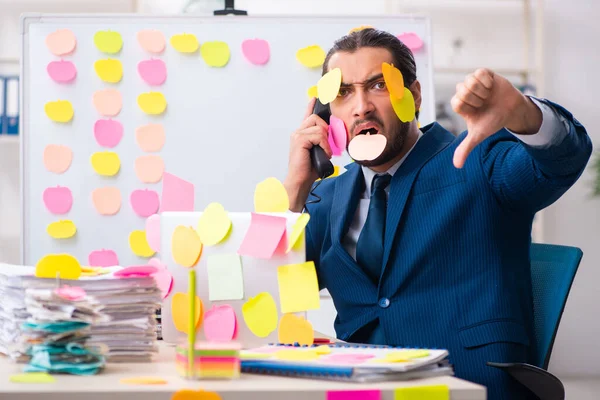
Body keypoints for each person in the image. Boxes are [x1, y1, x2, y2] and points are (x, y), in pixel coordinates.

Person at [283, 28, 592, 400]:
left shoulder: (476, 158)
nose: (361, 106)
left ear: (413, 96)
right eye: (344, 93)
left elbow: (562, 161)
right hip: (362, 389)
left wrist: (523, 113)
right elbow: (271, 286)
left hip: (467, 386)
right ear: (327, 111)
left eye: (378, 86)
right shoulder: (327, 197)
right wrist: (295, 188)